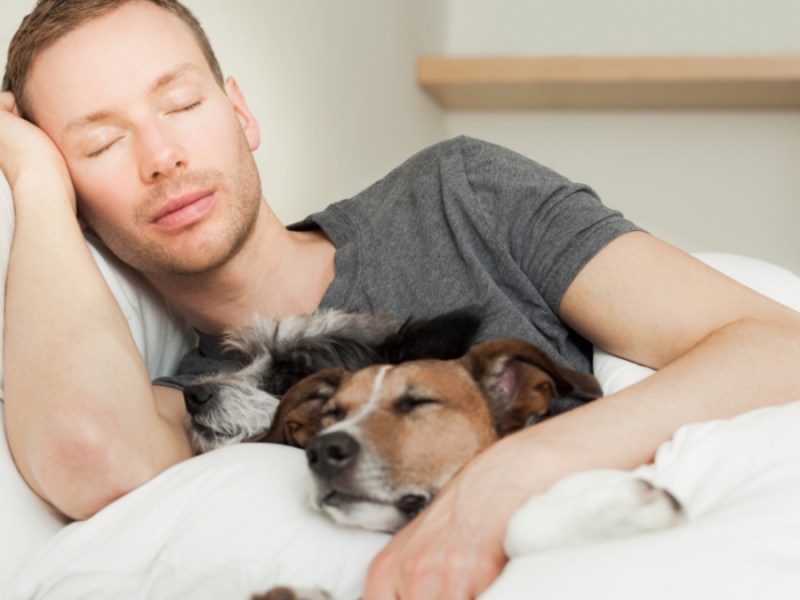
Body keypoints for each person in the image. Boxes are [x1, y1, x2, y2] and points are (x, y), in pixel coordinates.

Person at [1, 1, 799, 598]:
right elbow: (85, 456)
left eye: (181, 104)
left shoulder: (459, 195)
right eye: (99, 144)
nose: (162, 157)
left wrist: (515, 472)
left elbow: (776, 342)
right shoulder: (201, 405)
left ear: (240, 113)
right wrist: (34, 186)